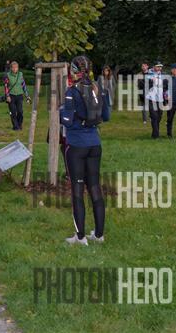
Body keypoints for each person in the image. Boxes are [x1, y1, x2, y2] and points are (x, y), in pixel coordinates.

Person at [60, 55, 110, 246]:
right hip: (95, 144)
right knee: (95, 187)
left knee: (77, 190)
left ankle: (80, 237)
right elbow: (106, 116)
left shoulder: (72, 91)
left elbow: (66, 121)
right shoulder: (99, 88)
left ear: (74, 71)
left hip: (76, 145)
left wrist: (61, 110)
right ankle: (99, 234)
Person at [3, 61, 31, 130]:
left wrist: (27, 95)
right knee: (13, 112)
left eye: (16, 67)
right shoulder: (7, 75)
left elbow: (23, 85)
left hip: (19, 95)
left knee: (20, 111)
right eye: (13, 67)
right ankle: (15, 127)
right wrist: (7, 96)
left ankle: (19, 125)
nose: (15, 69)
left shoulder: (20, 74)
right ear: (11, 68)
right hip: (11, 96)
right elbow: (6, 86)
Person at [146, 61, 168, 139]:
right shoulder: (149, 75)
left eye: (160, 66)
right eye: (157, 66)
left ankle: (154, 134)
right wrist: (150, 80)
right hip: (151, 99)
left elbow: (166, 88)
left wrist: (166, 96)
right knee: (154, 117)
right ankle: (156, 136)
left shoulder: (163, 76)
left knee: (159, 117)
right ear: (154, 67)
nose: (159, 68)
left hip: (160, 100)